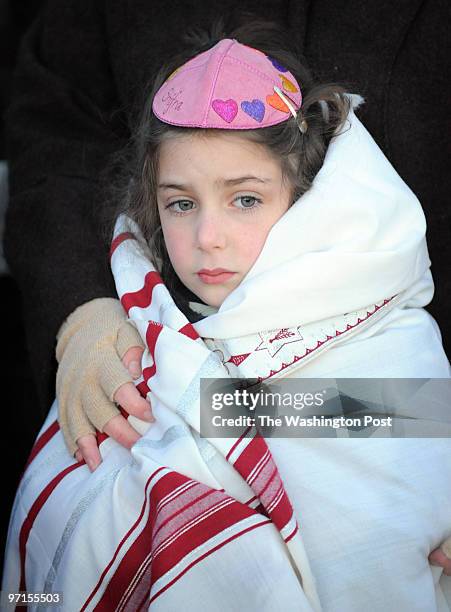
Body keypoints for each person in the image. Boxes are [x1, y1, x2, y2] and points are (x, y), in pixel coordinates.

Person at [3, 21, 451, 610]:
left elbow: (408, 432)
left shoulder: (384, 329)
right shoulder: (138, 329)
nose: (208, 237)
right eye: (181, 204)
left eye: (245, 199)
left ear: (306, 200)